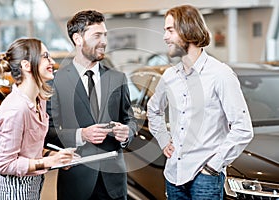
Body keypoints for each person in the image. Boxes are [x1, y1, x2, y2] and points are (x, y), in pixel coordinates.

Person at [147, 5, 254, 200]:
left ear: (188, 29)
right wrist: (163, 139)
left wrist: (213, 166)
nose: (165, 37)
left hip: (205, 178)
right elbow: (153, 110)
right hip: (173, 175)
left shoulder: (220, 74)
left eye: (170, 30)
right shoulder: (170, 76)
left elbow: (243, 128)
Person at [47, 10, 137, 200]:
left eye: (105, 35)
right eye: (97, 35)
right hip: (76, 182)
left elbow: (130, 119)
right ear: (78, 39)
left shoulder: (117, 78)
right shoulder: (56, 82)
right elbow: (48, 131)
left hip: (114, 183)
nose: (104, 41)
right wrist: (82, 134)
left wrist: (126, 132)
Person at [0, 38, 75, 200]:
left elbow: (30, 149)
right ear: (26, 65)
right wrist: (48, 162)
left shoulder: (39, 100)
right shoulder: (16, 109)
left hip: (33, 187)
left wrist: (54, 155)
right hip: (14, 192)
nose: (52, 62)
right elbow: (4, 164)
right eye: (45, 56)